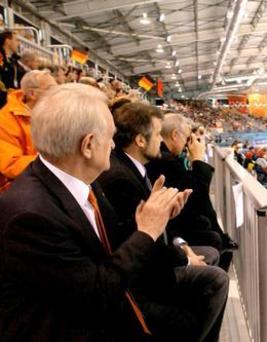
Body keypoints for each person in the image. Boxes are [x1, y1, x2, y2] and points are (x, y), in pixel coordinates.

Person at [0, 83, 194, 340]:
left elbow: (108, 252)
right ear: (88, 145)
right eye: (110, 136)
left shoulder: (82, 183)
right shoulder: (31, 216)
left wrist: (153, 218)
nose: (114, 145)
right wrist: (146, 232)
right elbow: (96, 296)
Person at [97, 102, 228, 341]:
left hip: (152, 261)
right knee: (217, 277)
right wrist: (186, 257)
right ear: (139, 140)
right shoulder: (121, 179)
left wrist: (169, 217)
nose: (161, 139)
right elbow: (142, 240)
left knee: (209, 254)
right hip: (145, 282)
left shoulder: (133, 169)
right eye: (157, 134)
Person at [146, 113, 238, 269]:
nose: (188, 144)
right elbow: (196, 197)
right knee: (212, 237)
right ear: (175, 135)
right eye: (188, 138)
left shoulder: (168, 159)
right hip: (172, 229)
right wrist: (197, 160)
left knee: (210, 230)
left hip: (172, 226)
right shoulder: (166, 161)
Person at [0, 70, 57, 191]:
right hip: (19, 189)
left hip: (44, 178)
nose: (57, 95)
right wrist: (55, 161)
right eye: (51, 89)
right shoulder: (4, 120)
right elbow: (11, 165)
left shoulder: (50, 114)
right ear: (32, 94)